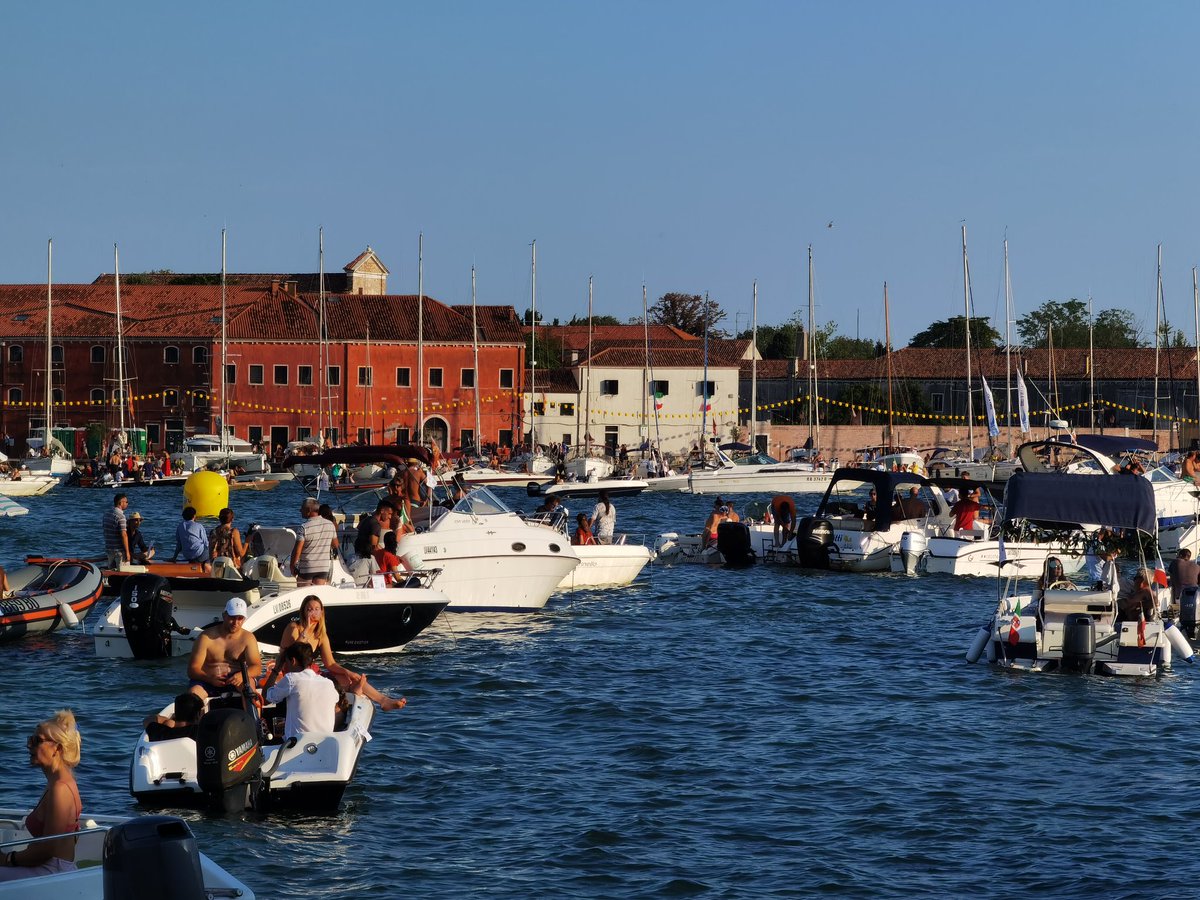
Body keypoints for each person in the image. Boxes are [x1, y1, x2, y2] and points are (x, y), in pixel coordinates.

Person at [278, 594, 407, 711]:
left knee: (349, 677)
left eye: (317, 609)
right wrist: (306, 629)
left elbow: (330, 663)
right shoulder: (294, 628)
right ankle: (354, 691)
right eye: (309, 609)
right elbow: (292, 655)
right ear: (303, 612)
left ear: (322, 612)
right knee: (337, 681)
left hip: (312, 672)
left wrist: (347, 672)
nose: (313, 613)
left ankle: (383, 701)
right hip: (293, 672)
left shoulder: (320, 635)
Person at [0, 710, 82, 881]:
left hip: (52, 873)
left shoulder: (60, 788)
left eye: (37, 741)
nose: (29, 746)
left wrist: (8, 859)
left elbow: (48, 849)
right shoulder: (58, 783)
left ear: (57, 748)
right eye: (30, 740)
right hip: (50, 868)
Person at [186, 597, 263, 698]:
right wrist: (210, 679)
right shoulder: (205, 637)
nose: (236, 622)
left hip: (236, 681)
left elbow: (256, 667)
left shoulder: (248, 638)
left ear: (244, 619)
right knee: (193, 694)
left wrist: (241, 675)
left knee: (250, 691)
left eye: (240, 618)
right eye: (232, 617)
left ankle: (253, 714)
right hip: (207, 681)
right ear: (224, 615)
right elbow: (192, 670)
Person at [264, 642, 341, 739]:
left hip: (297, 745)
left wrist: (276, 670)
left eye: (286, 662)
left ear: (293, 661)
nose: (285, 667)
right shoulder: (328, 683)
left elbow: (266, 697)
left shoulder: (291, 679)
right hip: (324, 744)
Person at [291, 497, 338, 585]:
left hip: (307, 568)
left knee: (305, 595)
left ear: (309, 510)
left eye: (302, 508)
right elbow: (335, 544)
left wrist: (292, 566)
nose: (300, 510)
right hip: (323, 568)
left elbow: (297, 551)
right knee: (317, 595)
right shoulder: (330, 524)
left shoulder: (304, 527)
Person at [102, 492, 130, 568]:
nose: (127, 503)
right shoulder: (121, 516)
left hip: (109, 548)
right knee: (123, 573)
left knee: (111, 573)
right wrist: (127, 552)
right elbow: (124, 535)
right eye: (126, 502)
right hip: (119, 551)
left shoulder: (106, 514)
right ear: (121, 503)